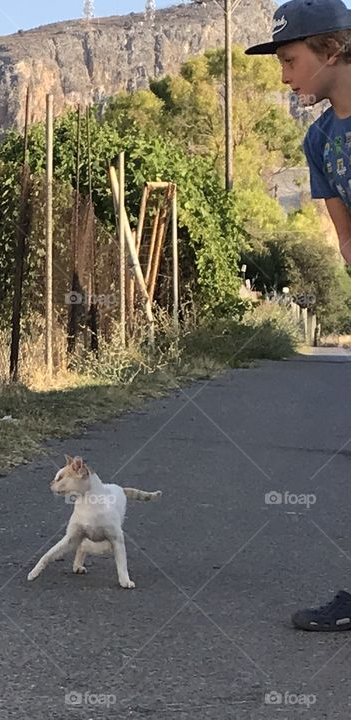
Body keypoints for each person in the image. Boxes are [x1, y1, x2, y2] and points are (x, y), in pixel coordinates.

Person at [247, 0, 351, 630]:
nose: (284, 76)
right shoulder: (321, 139)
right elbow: (346, 239)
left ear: (332, 51)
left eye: (290, 60)